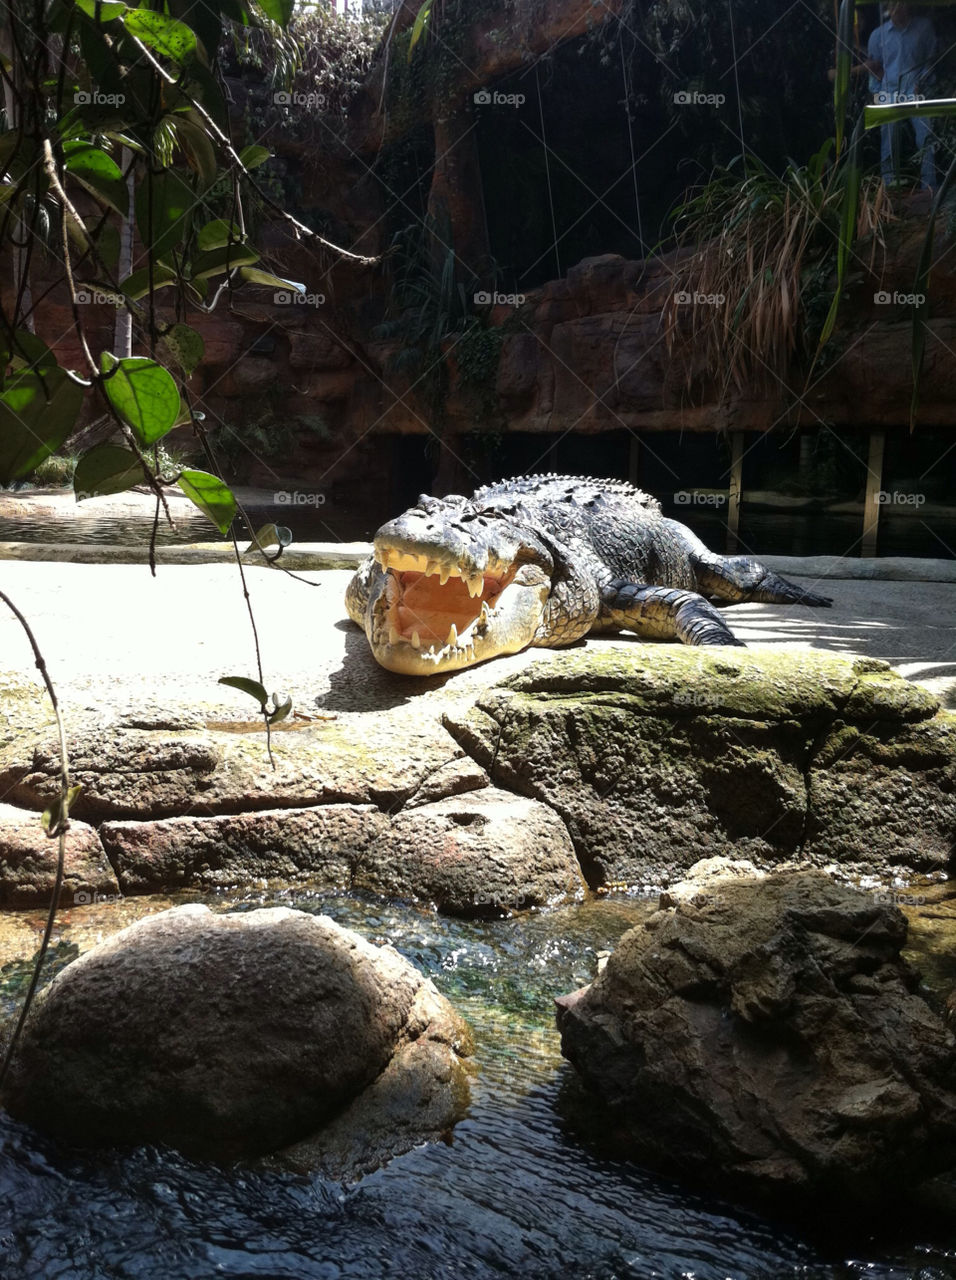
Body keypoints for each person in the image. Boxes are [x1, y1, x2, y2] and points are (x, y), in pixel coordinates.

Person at [866, 3, 938, 191]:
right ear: (888, 7)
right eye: (893, 4)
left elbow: (931, 60)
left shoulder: (923, 28)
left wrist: (922, 81)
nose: (899, 8)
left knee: (925, 136)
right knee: (888, 138)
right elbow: (873, 68)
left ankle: (929, 187)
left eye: (902, 3)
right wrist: (876, 94)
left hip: (916, 90)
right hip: (888, 91)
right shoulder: (877, 35)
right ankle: (890, 188)